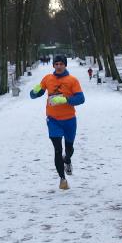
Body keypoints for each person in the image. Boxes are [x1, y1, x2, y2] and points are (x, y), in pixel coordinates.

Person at [30, 54, 85, 190]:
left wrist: (66, 99)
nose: (59, 66)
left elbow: (81, 98)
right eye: (56, 64)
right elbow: (36, 94)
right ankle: (62, 179)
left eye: (61, 64)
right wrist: (34, 92)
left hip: (69, 120)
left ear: (65, 65)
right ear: (53, 65)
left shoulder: (72, 80)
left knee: (69, 149)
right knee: (57, 150)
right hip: (53, 120)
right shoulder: (48, 79)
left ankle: (68, 159)